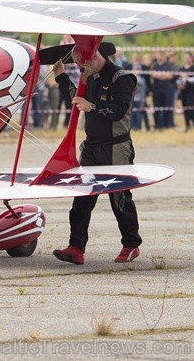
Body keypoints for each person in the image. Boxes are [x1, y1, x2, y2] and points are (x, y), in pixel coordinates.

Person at [52, 46, 142, 265]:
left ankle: (131, 244)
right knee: (82, 197)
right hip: (92, 147)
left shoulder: (123, 78)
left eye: (82, 64)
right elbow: (77, 101)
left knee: (119, 197)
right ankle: (76, 247)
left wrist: (90, 105)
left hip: (116, 147)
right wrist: (61, 78)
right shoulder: (89, 76)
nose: (81, 69)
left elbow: (118, 110)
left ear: (92, 58)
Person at [177, 52, 194, 131]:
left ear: (191, 58)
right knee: (185, 108)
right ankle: (187, 125)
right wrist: (179, 85)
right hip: (183, 91)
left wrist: (187, 77)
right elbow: (177, 79)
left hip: (192, 91)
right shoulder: (181, 68)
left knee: (191, 109)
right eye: (185, 58)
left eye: (188, 58)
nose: (187, 59)